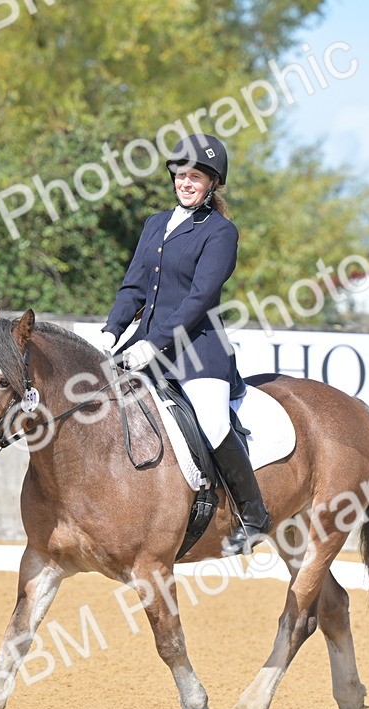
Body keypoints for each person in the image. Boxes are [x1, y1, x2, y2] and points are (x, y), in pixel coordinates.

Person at [97, 134, 271, 555]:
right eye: (181, 174)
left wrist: (152, 343)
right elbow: (134, 285)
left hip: (198, 351)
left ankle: (254, 515)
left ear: (213, 183)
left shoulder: (220, 232)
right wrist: (111, 330)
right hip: (144, 346)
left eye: (196, 176)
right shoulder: (156, 223)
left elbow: (199, 299)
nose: (186, 182)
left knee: (212, 423)